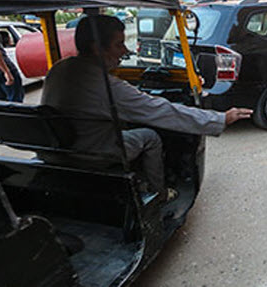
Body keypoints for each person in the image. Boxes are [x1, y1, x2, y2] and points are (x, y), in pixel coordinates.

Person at [41, 15, 252, 191]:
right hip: (91, 153)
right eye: (119, 44)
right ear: (97, 48)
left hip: (55, 149)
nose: (124, 51)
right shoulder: (108, 87)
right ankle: (157, 193)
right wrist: (221, 118)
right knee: (150, 137)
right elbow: (160, 110)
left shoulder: (58, 69)